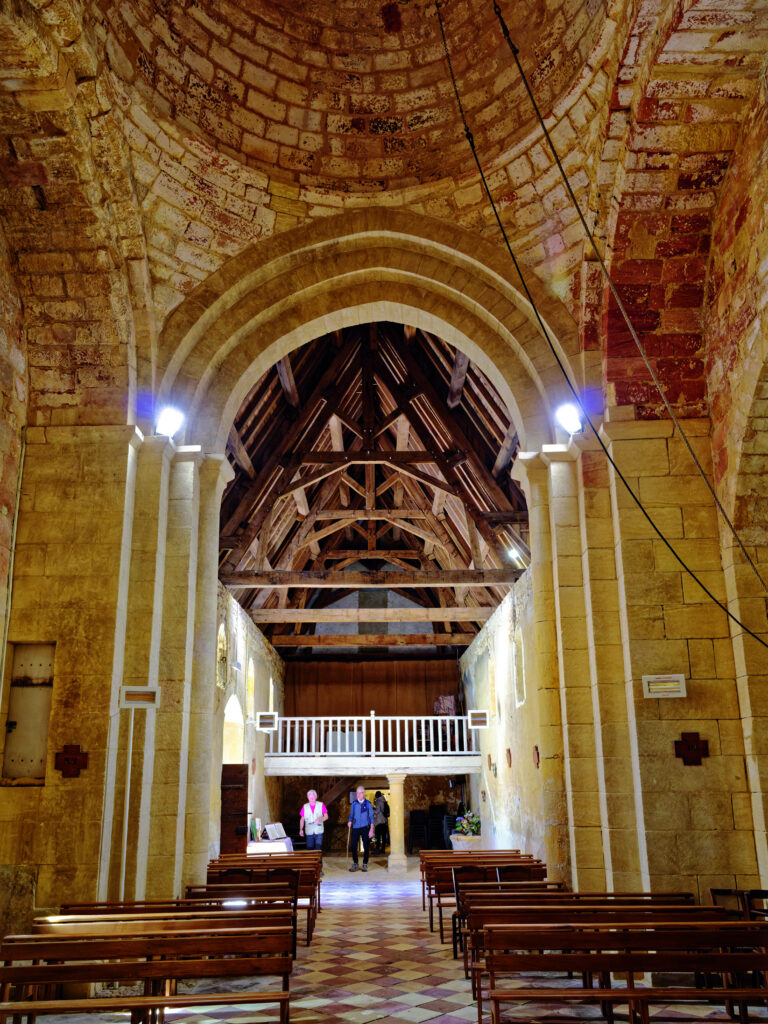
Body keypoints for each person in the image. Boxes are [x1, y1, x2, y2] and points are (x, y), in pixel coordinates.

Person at [347, 785, 374, 871]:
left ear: (364, 793)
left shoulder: (368, 804)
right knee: (353, 845)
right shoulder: (354, 804)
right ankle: (355, 863)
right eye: (357, 793)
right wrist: (349, 821)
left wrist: (371, 829)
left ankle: (365, 864)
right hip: (355, 827)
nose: (358, 795)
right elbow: (351, 815)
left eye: (360, 793)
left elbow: (371, 817)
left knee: (366, 846)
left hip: (365, 827)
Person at [299, 789, 328, 865]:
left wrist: (320, 819)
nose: (311, 798)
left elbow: (326, 816)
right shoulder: (305, 806)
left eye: (313, 797)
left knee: (318, 849)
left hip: (319, 831)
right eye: (310, 797)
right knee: (310, 850)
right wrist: (301, 829)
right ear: (308, 798)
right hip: (309, 831)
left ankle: (319, 867)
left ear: (316, 797)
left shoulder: (321, 805)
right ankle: (311, 866)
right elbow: (302, 819)